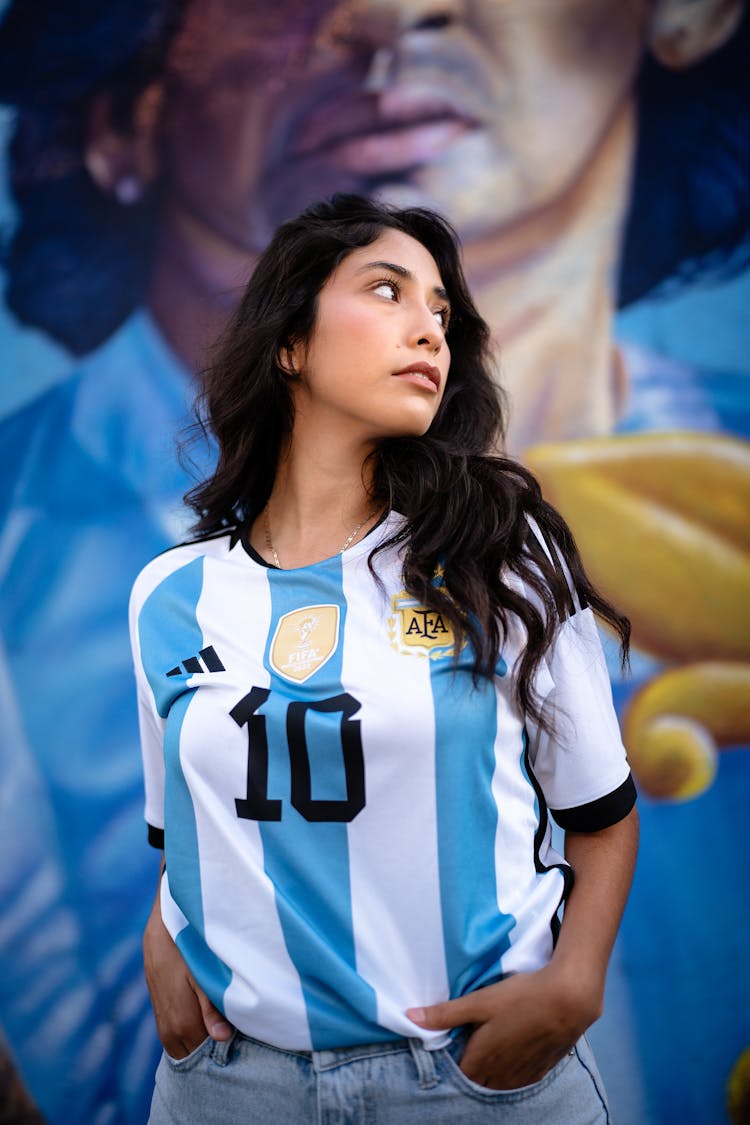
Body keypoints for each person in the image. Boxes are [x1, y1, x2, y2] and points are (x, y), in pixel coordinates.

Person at [130, 194, 638, 1122]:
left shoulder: (502, 550)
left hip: (470, 1084)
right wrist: (163, 937)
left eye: (442, 311)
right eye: (389, 291)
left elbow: (601, 810)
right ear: (290, 344)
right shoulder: (169, 595)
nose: (430, 331)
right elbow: (182, 833)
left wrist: (575, 987)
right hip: (231, 1087)